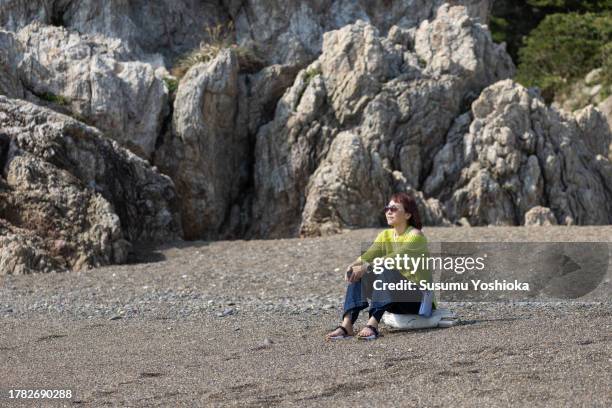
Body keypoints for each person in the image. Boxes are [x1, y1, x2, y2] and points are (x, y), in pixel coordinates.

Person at [325, 192, 434, 341]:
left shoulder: (416, 236)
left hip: (418, 301)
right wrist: (353, 266)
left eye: (394, 208)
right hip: (394, 297)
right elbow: (369, 255)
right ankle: (347, 325)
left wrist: (367, 266)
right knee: (359, 272)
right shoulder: (385, 235)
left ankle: (372, 325)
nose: (389, 211)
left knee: (385, 268)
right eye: (387, 208)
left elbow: (396, 258)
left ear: (408, 214)